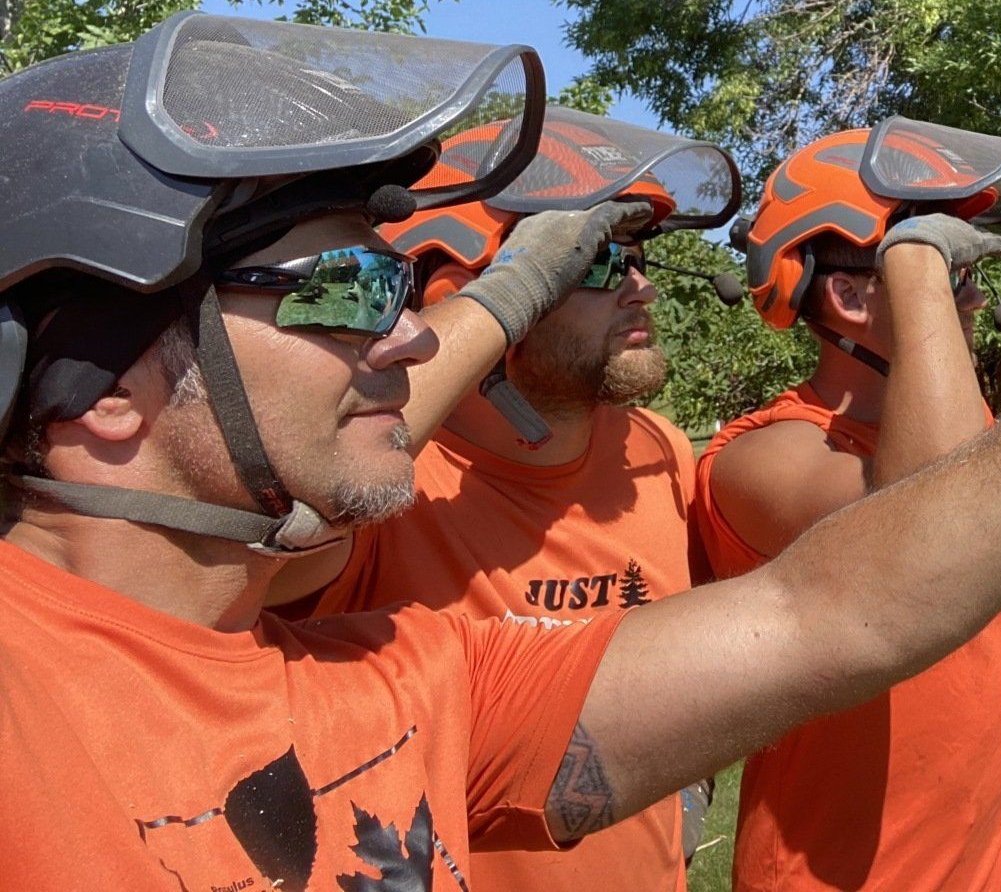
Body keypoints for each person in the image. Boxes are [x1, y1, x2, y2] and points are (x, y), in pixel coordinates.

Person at [0, 13, 1001, 890]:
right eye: (346, 288)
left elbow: (842, 613)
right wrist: (502, 290)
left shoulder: (409, 689)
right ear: (98, 388)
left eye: (402, 287)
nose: (415, 337)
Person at [264, 105, 744, 891]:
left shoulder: (657, 450)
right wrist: (502, 299)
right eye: (593, 260)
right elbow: (277, 535)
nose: (643, 288)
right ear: (467, 289)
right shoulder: (383, 489)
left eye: (636, 257)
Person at [690, 120, 1001, 892]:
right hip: (843, 875)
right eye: (952, 274)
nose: (977, 294)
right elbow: (939, 528)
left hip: (995, 867)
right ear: (852, 295)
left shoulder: (960, 429)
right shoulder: (759, 458)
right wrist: (920, 268)